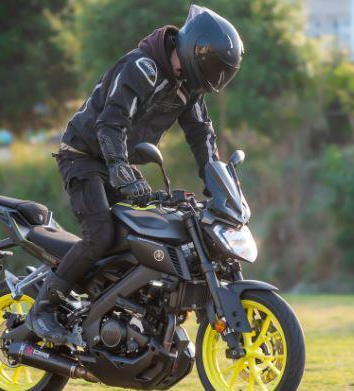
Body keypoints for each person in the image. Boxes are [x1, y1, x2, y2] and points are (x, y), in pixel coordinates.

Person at [27, 5, 244, 344]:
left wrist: (219, 187)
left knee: (135, 241)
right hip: (84, 156)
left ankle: (110, 318)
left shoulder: (190, 87)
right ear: (197, 51)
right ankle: (44, 309)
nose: (215, 78)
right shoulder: (142, 68)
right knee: (100, 235)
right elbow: (111, 124)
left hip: (121, 165)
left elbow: (202, 138)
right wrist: (119, 169)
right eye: (213, 67)